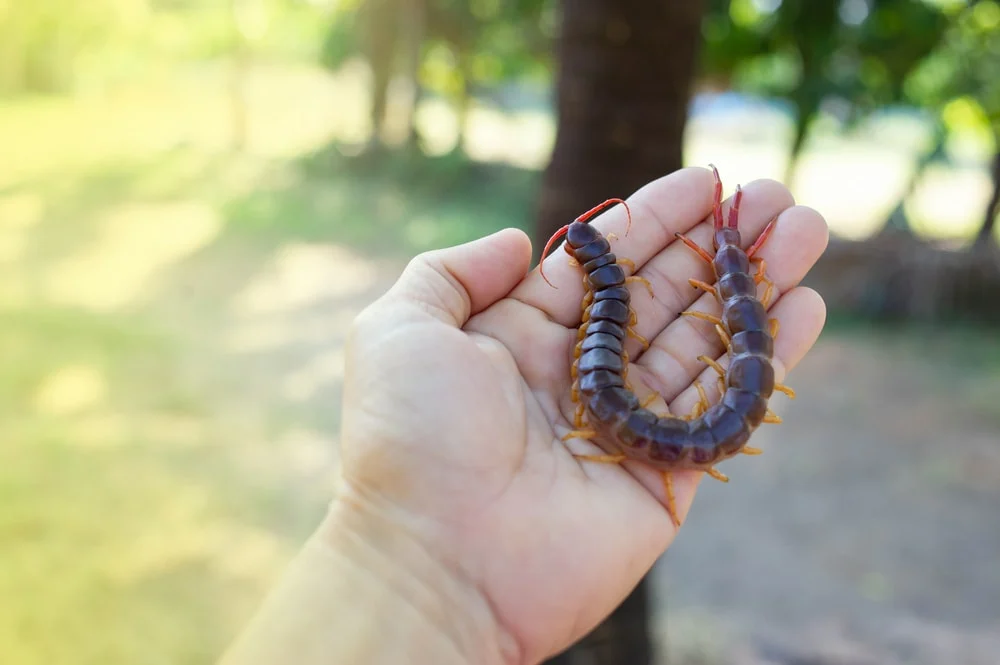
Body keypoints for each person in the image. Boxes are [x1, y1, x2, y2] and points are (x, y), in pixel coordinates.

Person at [219, 167, 829, 665]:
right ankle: (731, 264)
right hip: (687, 406)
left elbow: (608, 338)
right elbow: (607, 336)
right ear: (602, 270)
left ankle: (730, 262)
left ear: (593, 273)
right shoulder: (603, 330)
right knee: (637, 365)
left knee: (649, 365)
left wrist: (399, 564)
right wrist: (400, 556)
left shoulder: (605, 323)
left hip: (700, 411)